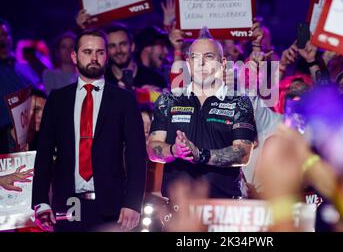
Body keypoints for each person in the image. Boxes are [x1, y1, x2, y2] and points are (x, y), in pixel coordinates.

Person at [32, 29, 147, 232]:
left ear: (106, 56)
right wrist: (40, 201)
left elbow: (136, 155)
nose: (94, 58)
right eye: (87, 51)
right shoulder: (58, 100)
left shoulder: (124, 100)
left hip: (114, 204)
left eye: (100, 52)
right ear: (74, 56)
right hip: (67, 204)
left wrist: (133, 202)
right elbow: (45, 154)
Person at [147, 31, 257, 199]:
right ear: (188, 63)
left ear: (222, 63)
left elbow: (243, 153)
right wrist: (174, 150)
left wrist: (201, 155)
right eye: (195, 57)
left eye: (209, 56)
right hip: (178, 209)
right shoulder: (168, 100)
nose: (201, 63)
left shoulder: (239, 102)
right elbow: (152, 149)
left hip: (224, 207)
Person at [0, 18, 40, 153]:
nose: (3, 39)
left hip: (30, 135)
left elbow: (38, 93)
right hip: (5, 138)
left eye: (5, 34)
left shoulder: (22, 66)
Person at [104, 23, 167, 90]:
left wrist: (153, 96)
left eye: (123, 44)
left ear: (132, 46)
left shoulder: (154, 78)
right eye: (112, 46)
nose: (118, 50)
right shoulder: (103, 81)